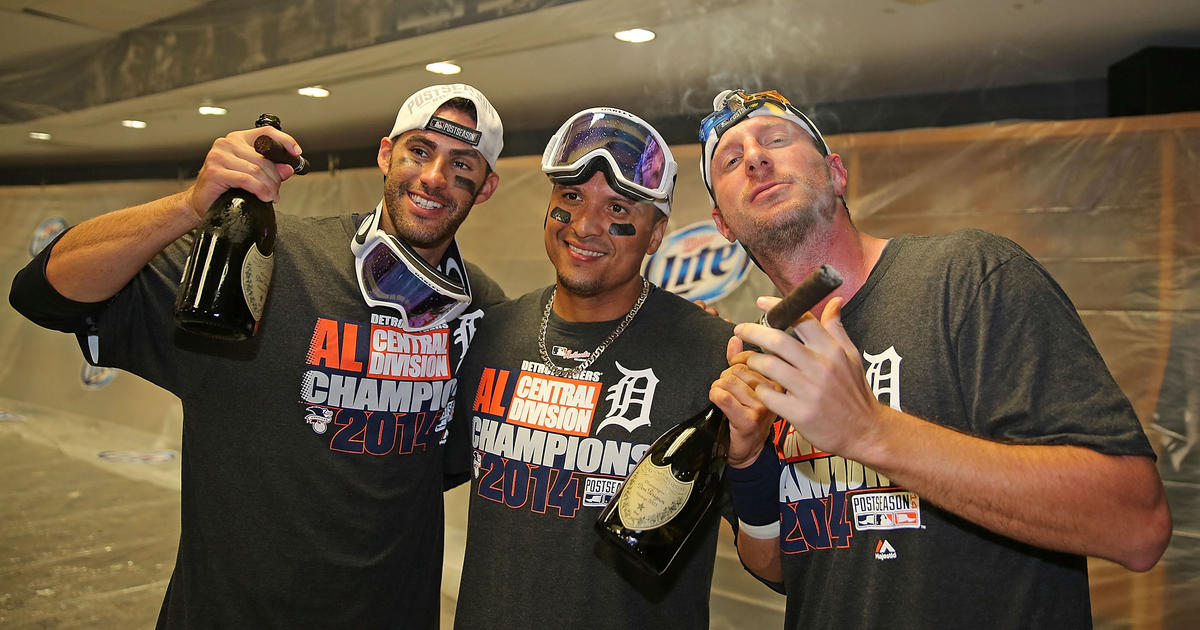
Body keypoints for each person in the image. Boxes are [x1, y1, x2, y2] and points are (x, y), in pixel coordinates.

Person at [9, 83, 507, 629]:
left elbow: (445, 464)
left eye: (462, 164)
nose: (435, 177)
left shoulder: (478, 311)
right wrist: (192, 203)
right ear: (387, 153)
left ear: (484, 189)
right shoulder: (264, 256)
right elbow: (43, 293)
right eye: (419, 150)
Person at [700, 89, 1172, 628]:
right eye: (731, 161)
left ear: (835, 173)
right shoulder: (764, 356)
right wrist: (748, 462)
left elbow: (1137, 526)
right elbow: (784, 567)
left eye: (776, 140)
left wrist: (870, 431)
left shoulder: (969, 277)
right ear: (723, 224)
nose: (756, 158)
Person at [447, 107, 734, 629]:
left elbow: (773, 550)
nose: (584, 225)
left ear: (655, 235)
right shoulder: (490, 337)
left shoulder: (713, 358)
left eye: (618, 206)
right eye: (571, 198)